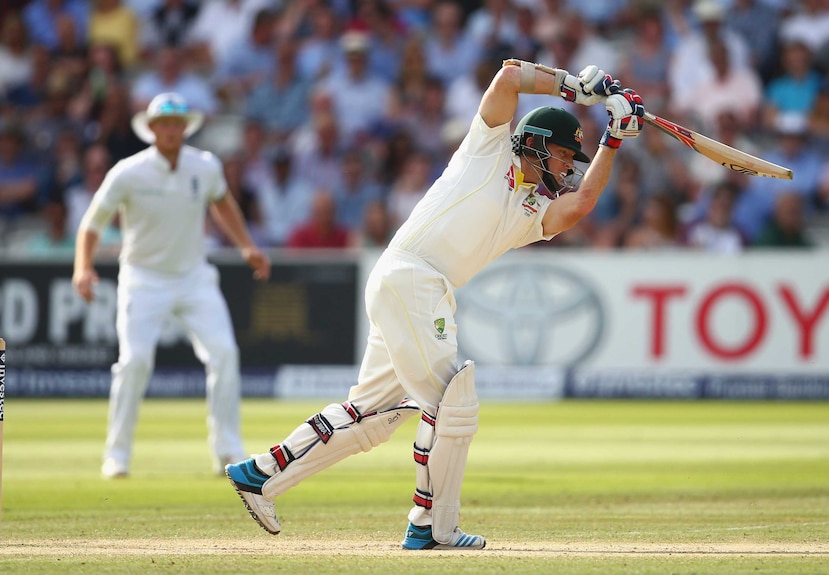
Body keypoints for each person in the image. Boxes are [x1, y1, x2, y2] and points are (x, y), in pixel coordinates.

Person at [225, 58, 644, 549]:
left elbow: (582, 204)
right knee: (452, 403)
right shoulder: (487, 149)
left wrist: (611, 139)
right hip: (412, 277)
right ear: (537, 143)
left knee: (374, 415)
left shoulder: (533, 210)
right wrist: (578, 90)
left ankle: (262, 474)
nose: (566, 171)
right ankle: (430, 526)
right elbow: (508, 76)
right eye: (563, 158)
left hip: (417, 286)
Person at [71, 92, 271, 479]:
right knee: (134, 362)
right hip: (143, 278)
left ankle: (227, 451)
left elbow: (223, 204)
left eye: (177, 123)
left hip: (194, 276)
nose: (171, 129)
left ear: (185, 127)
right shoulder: (128, 172)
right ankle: (117, 455)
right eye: (164, 123)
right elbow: (92, 224)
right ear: (151, 128)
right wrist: (83, 268)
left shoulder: (205, 166)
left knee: (225, 353)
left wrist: (247, 245)